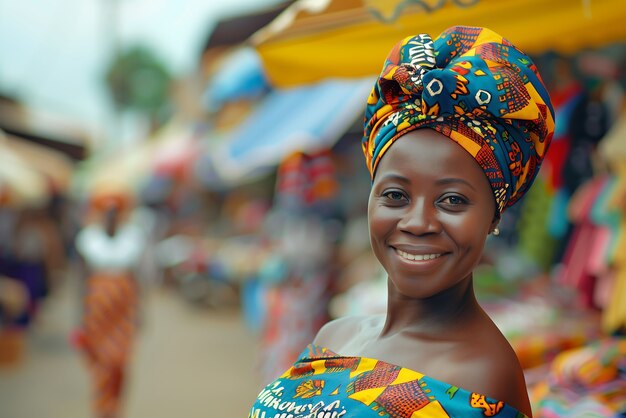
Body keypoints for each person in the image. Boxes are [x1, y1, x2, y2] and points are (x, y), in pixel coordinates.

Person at [248, 25, 554, 418]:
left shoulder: (478, 380)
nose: (417, 221)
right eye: (396, 195)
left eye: (452, 200)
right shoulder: (335, 335)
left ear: (495, 213)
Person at [74, 191, 147, 418]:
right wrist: (79, 315)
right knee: (102, 362)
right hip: (97, 311)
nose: (111, 217)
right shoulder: (88, 241)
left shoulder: (132, 240)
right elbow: (80, 280)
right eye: (107, 212)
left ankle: (116, 405)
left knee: (120, 361)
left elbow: (139, 279)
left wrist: (142, 311)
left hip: (123, 310)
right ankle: (103, 408)